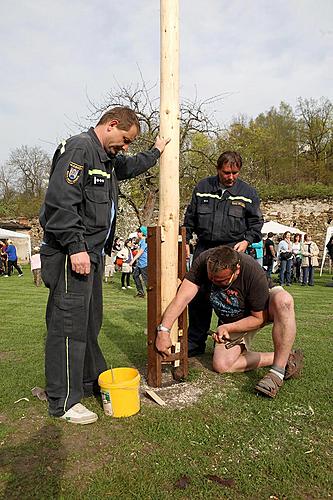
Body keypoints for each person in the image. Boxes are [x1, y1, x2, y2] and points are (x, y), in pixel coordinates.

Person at [39, 106, 170, 424]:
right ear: (111, 125)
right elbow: (60, 201)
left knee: (88, 324)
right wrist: (75, 247)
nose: (125, 148)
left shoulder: (106, 159)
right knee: (69, 326)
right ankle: (63, 402)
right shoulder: (80, 148)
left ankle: (87, 383)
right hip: (74, 254)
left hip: (90, 256)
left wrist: (155, 151)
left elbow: (130, 165)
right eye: (125, 140)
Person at [156, 246, 303, 398]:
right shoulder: (203, 261)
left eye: (221, 280)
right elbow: (182, 298)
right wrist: (164, 330)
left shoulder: (252, 272)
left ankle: (276, 373)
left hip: (262, 309)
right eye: (211, 278)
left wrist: (228, 327)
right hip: (235, 317)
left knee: (284, 301)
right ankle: (285, 357)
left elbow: (259, 319)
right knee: (221, 365)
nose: (214, 282)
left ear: (237, 270)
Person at [183, 151, 264, 356]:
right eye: (226, 172)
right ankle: (195, 343)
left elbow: (256, 224)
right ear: (218, 169)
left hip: (233, 250)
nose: (231, 177)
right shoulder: (203, 188)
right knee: (199, 297)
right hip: (204, 249)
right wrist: (184, 241)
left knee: (229, 299)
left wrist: (247, 241)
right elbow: (189, 219)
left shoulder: (248, 193)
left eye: (235, 173)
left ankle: (226, 340)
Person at [130, 226, 148, 298]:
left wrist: (132, 260)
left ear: (142, 233)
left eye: (139, 232)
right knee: (135, 275)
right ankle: (141, 292)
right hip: (140, 263)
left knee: (146, 280)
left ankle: (151, 293)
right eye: (137, 232)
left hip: (145, 263)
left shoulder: (144, 241)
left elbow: (140, 252)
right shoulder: (141, 241)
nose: (137, 233)